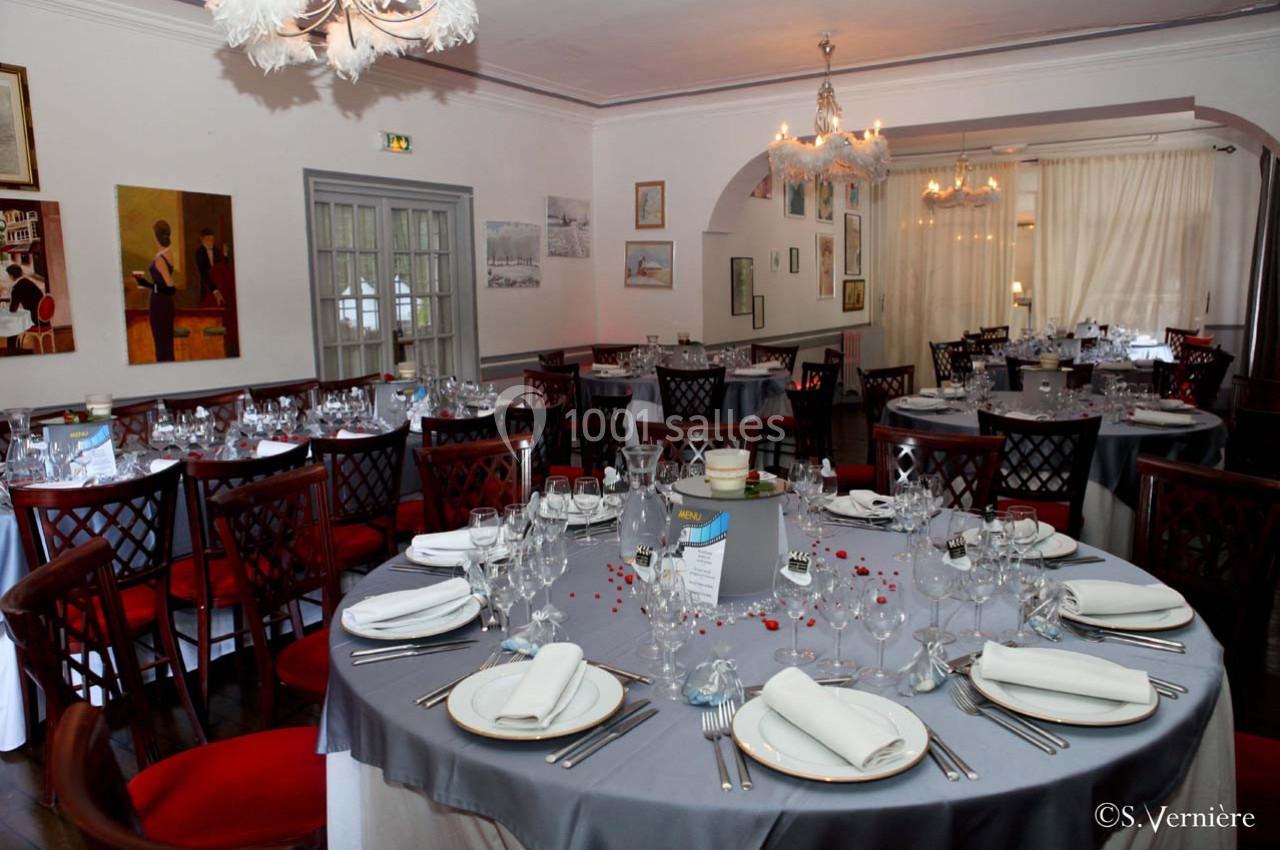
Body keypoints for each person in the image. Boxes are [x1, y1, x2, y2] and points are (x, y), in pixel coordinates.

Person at [134, 220, 177, 362]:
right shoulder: (167, 253)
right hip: (163, 303)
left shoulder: (160, 259)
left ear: (156, 236)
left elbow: (171, 288)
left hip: (160, 304)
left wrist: (147, 284)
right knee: (164, 346)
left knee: (162, 347)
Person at [4, 263, 44, 352]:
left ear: (11, 275)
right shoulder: (27, 282)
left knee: (10, 322)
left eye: (8, 275)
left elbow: (12, 309)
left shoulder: (17, 287)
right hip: (42, 318)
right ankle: (15, 348)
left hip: (34, 320)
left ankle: (12, 350)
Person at [193, 227, 227, 307]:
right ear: (202, 239)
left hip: (220, 286)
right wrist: (215, 291)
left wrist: (225, 255)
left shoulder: (217, 251)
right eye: (207, 240)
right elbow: (204, 274)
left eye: (212, 240)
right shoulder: (199, 253)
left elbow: (224, 267)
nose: (210, 242)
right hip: (207, 288)